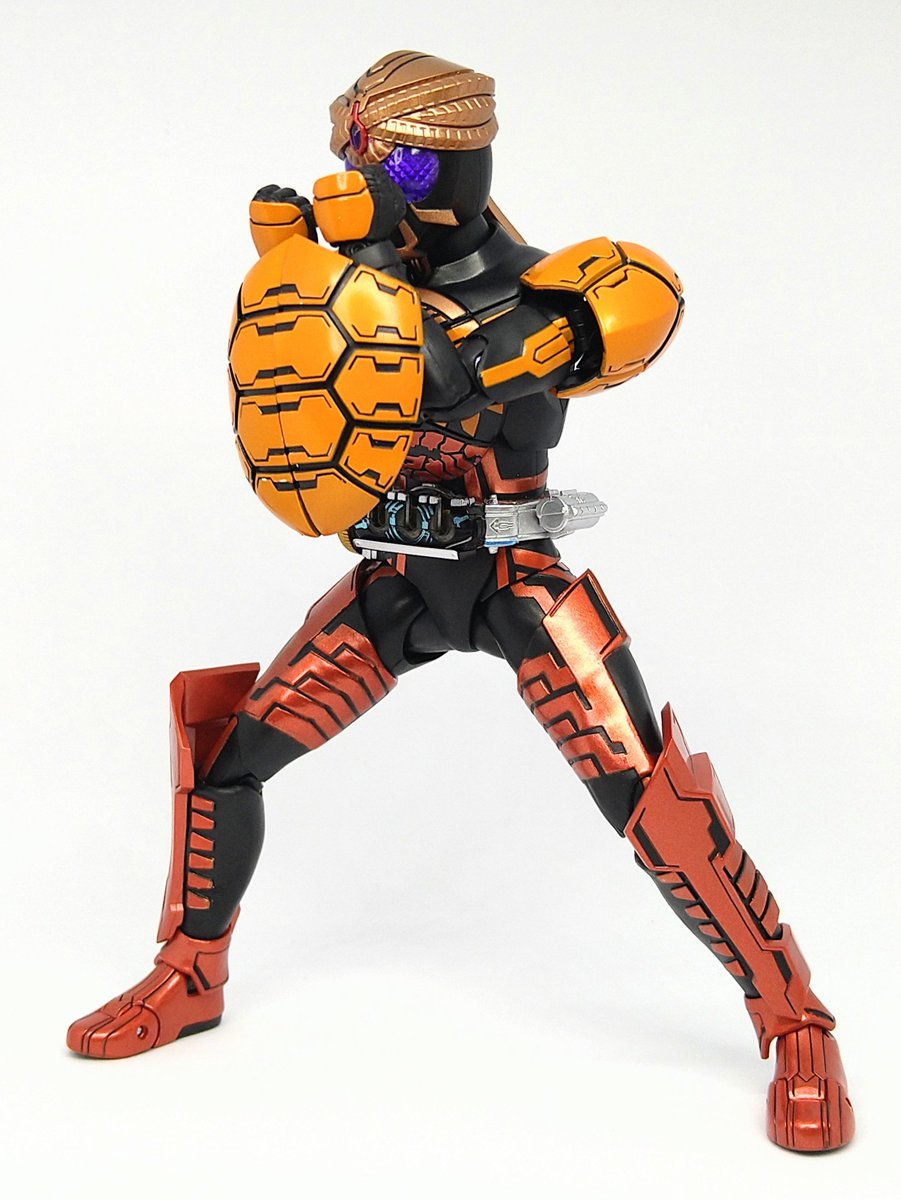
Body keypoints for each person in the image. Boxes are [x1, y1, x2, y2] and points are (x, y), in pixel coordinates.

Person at [68, 50, 854, 1153]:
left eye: (393, 163)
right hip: (399, 578)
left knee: (656, 801)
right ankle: (188, 973)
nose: (371, 181)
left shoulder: (545, 289)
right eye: (360, 158)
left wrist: (382, 296)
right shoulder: (358, 279)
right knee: (228, 757)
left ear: (455, 159)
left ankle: (795, 1020)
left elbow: (526, 343)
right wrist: (297, 291)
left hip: (515, 579)